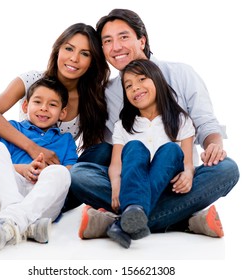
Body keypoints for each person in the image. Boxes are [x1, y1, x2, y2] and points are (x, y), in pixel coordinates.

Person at [71, 8, 240, 242]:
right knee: (81, 174)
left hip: (179, 182)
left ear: (142, 40)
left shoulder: (181, 73)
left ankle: (120, 220)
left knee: (227, 169)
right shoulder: (108, 94)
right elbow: (116, 155)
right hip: (133, 179)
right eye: (107, 41)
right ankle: (182, 219)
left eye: (123, 37)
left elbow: (206, 125)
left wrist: (214, 146)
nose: (116, 47)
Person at [0, 23, 110, 221]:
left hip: (54, 178)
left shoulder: (92, 100)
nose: (74, 58)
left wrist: (59, 170)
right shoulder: (32, 79)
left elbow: (88, 160)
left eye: (85, 53)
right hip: (20, 168)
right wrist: (32, 148)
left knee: (102, 151)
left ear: (93, 61)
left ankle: (32, 209)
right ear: (58, 50)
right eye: (69, 48)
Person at [105, 59, 195, 248]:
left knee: (172, 150)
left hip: (170, 189)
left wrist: (187, 174)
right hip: (131, 183)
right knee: (134, 148)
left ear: (157, 80)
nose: (135, 88)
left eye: (142, 79)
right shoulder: (123, 126)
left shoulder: (181, 120)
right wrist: (115, 185)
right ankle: (139, 213)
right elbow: (115, 164)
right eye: (128, 86)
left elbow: (187, 162)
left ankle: (125, 218)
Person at [0, 78, 78, 251]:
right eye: (38, 102)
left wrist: (46, 171)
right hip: (11, 193)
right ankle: (28, 225)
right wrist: (22, 169)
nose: (44, 108)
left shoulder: (66, 140)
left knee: (60, 173)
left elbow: (71, 171)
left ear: (62, 113)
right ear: (25, 106)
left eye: (52, 104)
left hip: (44, 201)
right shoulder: (13, 129)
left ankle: (9, 222)